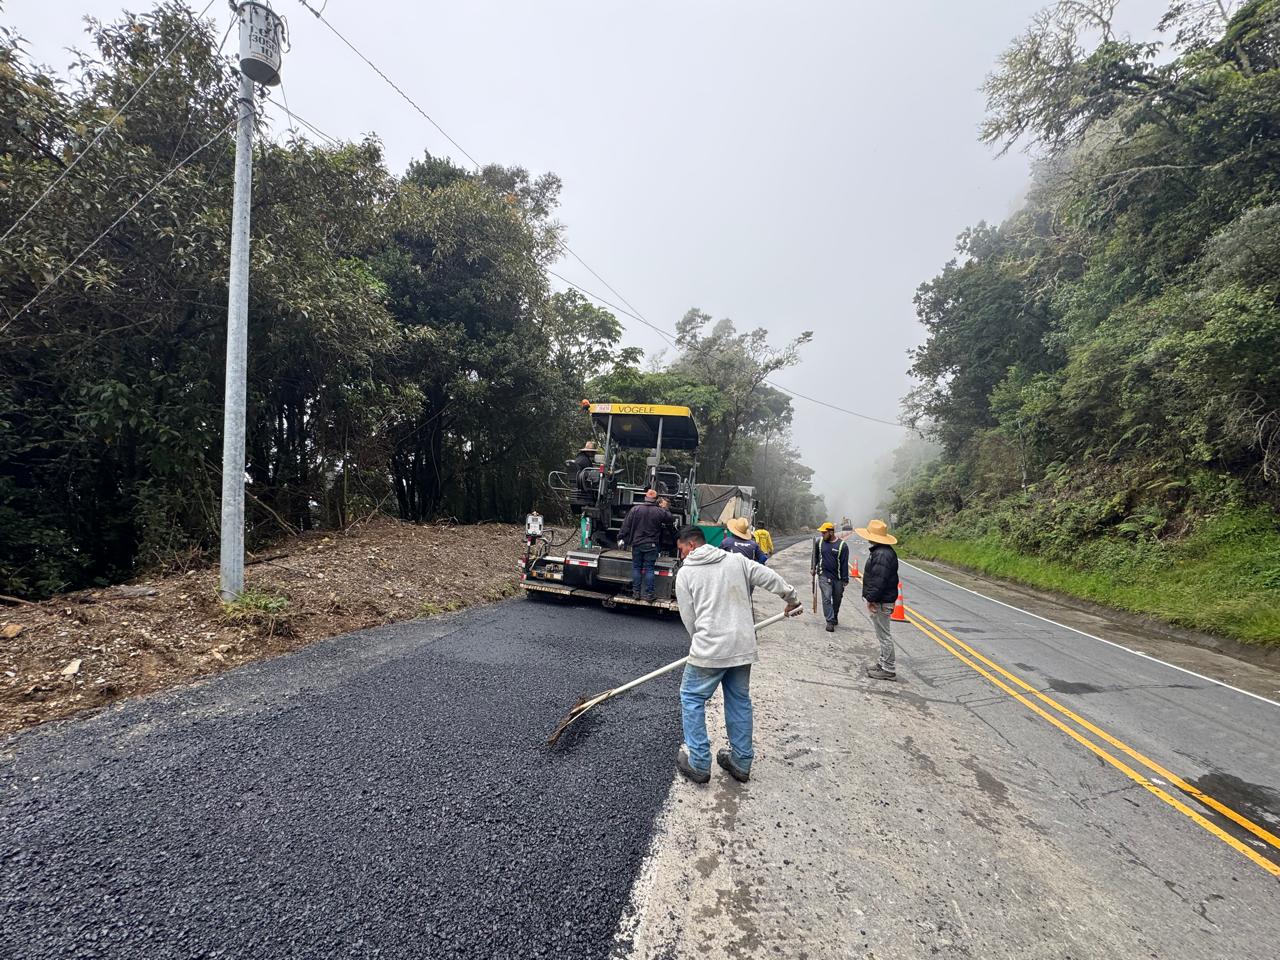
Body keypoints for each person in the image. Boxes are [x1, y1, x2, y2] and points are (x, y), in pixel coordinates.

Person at [673, 525, 801, 784]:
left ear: (693, 544)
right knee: (739, 700)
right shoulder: (737, 561)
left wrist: (701, 644)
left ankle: (698, 763)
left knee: (691, 698)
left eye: (682, 549)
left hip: (709, 648)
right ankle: (741, 762)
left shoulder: (686, 574)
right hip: (742, 646)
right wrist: (791, 598)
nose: (682, 555)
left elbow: (690, 618)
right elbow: (769, 577)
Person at [858, 518, 900, 680]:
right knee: (882, 634)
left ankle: (888, 669)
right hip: (882, 599)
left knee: (884, 635)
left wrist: (871, 599)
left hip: (881, 601)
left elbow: (878, 580)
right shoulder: (883, 551)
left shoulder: (881, 554)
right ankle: (883, 663)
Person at [617, 489, 676, 601]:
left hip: (637, 544)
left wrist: (620, 537)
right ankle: (649, 595)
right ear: (656, 500)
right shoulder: (659, 511)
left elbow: (626, 525)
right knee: (649, 569)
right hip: (651, 545)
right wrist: (664, 508)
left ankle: (636, 593)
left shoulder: (635, 509)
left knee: (636, 568)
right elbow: (671, 519)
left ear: (645, 498)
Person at [810, 522, 849, 633]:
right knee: (826, 598)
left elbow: (844, 563)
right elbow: (815, 556)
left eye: (824, 533)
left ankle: (834, 615)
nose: (822, 535)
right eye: (822, 533)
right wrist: (812, 567)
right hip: (823, 575)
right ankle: (830, 621)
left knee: (837, 598)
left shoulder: (842, 546)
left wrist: (845, 579)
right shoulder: (819, 542)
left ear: (831, 532)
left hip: (837, 578)